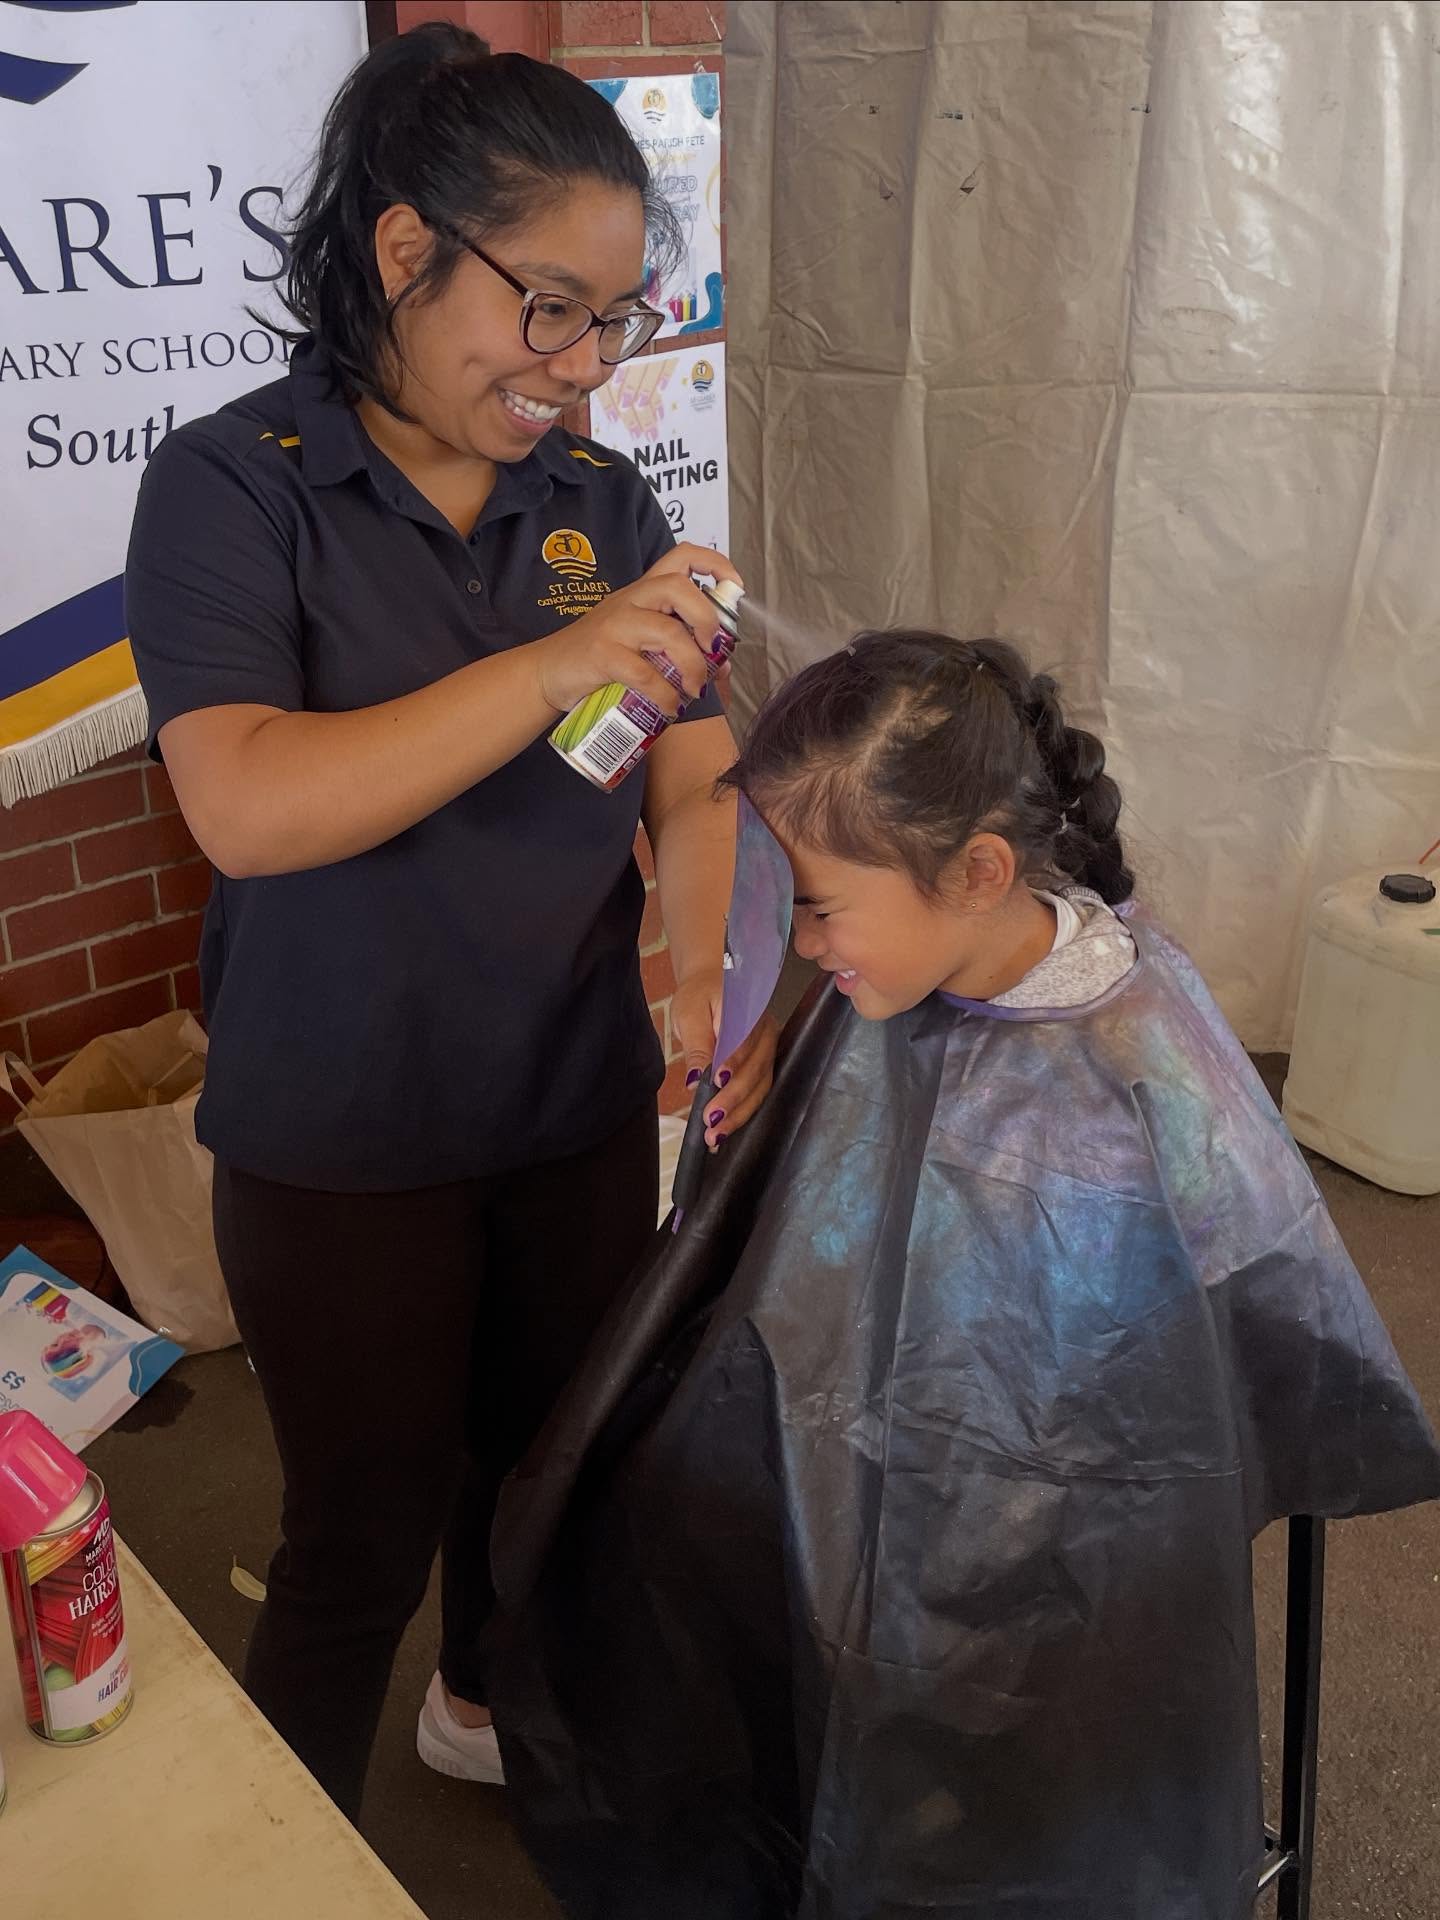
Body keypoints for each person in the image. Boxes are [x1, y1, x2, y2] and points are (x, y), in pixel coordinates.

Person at [487, 634, 1440, 1919]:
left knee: (948, 1649)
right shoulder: (901, 960)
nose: (801, 936)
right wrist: (774, 1016)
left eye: (814, 907)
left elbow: (1260, 1310)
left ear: (981, 870)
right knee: (639, 1513)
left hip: (1055, 1534)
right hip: (843, 1433)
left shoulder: (1137, 1057)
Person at [123, 25, 775, 1821]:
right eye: (545, 310)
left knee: (544, 1464)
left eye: (614, 320)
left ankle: (482, 1709)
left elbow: (695, 772)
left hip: (566, 1097)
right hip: (343, 1133)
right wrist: (557, 657)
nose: (574, 371)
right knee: (356, 1527)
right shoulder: (235, 485)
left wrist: (699, 964)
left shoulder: (599, 505)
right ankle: (287, 1848)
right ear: (408, 254)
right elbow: (247, 800)